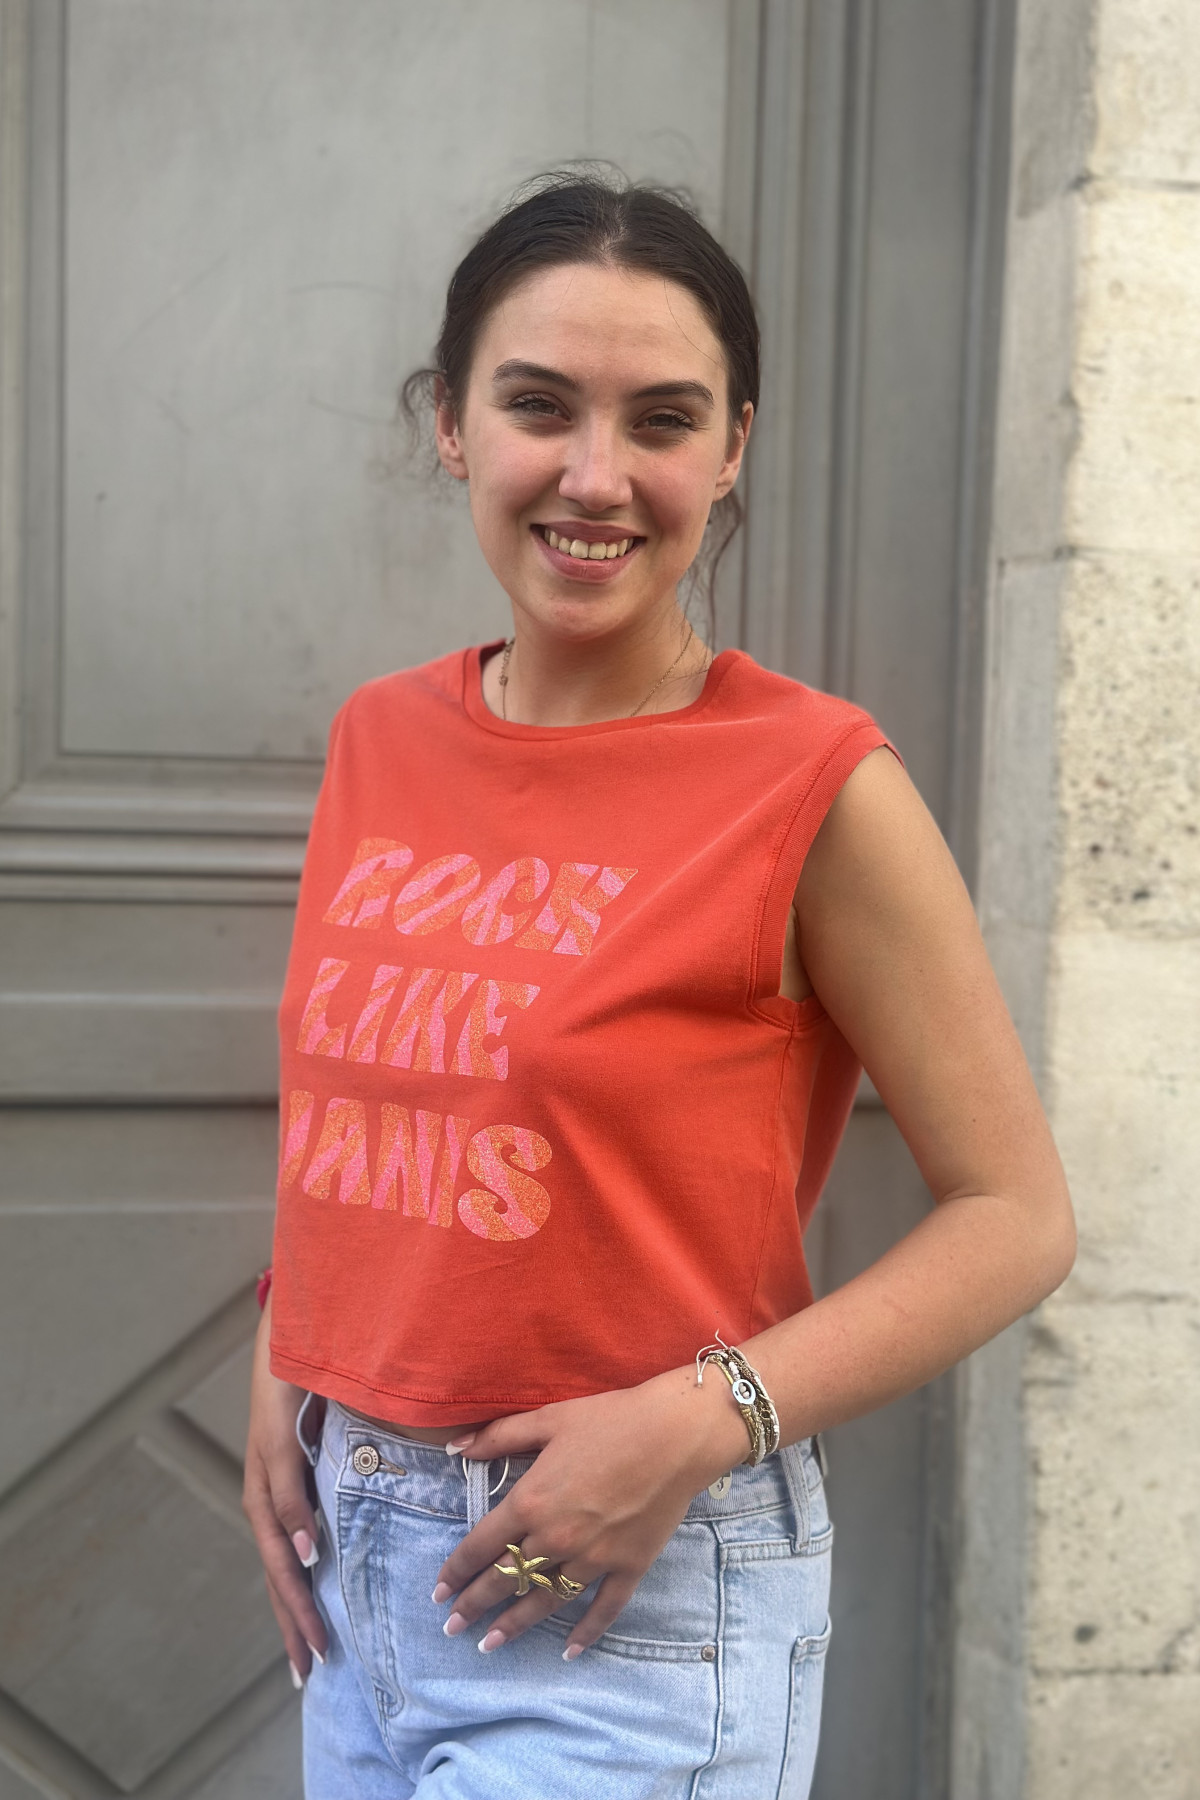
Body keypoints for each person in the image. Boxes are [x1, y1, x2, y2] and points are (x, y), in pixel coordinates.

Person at [243, 173, 1075, 1799]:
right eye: (539, 405)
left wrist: (704, 1419)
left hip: (633, 1599)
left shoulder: (815, 784)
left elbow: (1018, 1216)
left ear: (734, 446)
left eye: (664, 420)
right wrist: (291, 1349)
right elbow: (370, 1100)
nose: (596, 476)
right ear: (451, 423)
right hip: (352, 1574)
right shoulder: (380, 737)